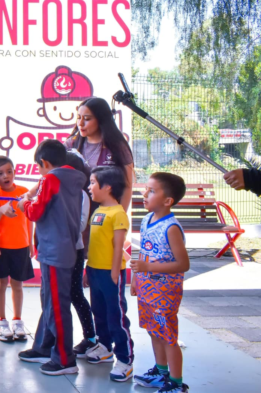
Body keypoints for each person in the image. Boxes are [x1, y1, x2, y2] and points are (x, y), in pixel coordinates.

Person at [17, 139, 84, 376]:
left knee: (56, 306)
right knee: (50, 301)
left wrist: (24, 203)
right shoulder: (73, 179)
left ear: (44, 163)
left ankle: (65, 359)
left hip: (55, 251)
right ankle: (46, 347)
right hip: (59, 249)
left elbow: (36, 211)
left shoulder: (52, 179)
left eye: (39, 167)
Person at [131, 173, 190, 393]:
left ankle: (176, 383)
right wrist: (137, 278)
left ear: (168, 201)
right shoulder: (147, 219)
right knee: (153, 330)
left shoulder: (171, 228)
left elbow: (183, 264)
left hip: (165, 292)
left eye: (152, 191)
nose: (145, 194)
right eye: (146, 188)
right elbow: (144, 252)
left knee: (168, 336)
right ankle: (161, 371)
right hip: (147, 289)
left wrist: (148, 269)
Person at [85, 166, 135, 382]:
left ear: (107, 187)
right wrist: (89, 268)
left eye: (93, 182)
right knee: (98, 310)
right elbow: (94, 244)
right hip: (95, 270)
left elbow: (118, 246)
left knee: (116, 315)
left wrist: (115, 272)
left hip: (111, 273)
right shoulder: (97, 211)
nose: (89, 187)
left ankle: (125, 359)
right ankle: (105, 347)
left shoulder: (118, 213)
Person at [0, 156, 32, 343]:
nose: (5, 176)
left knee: (18, 285)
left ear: (14, 171)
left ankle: (17, 320)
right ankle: (1, 321)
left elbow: (29, 220)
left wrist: (30, 242)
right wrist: (0, 211)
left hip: (21, 246)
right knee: (1, 284)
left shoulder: (23, 192)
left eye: (9, 171)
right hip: (0, 248)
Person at [65, 97, 134, 210]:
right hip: (75, 213)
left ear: (101, 119)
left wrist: (120, 218)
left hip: (106, 215)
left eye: (87, 119)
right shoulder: (71, 144)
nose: (80, 123)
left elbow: (127, 186)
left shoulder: (118, 146)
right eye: (78, 118)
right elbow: (53, 174)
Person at [64, 150, 99, 358]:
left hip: (72, 251)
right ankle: (57, 338)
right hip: (57, 252)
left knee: (75, 293)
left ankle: (91, 337)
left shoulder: (81, 194)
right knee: (58, 296)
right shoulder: (58, 191)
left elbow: (78, 225)